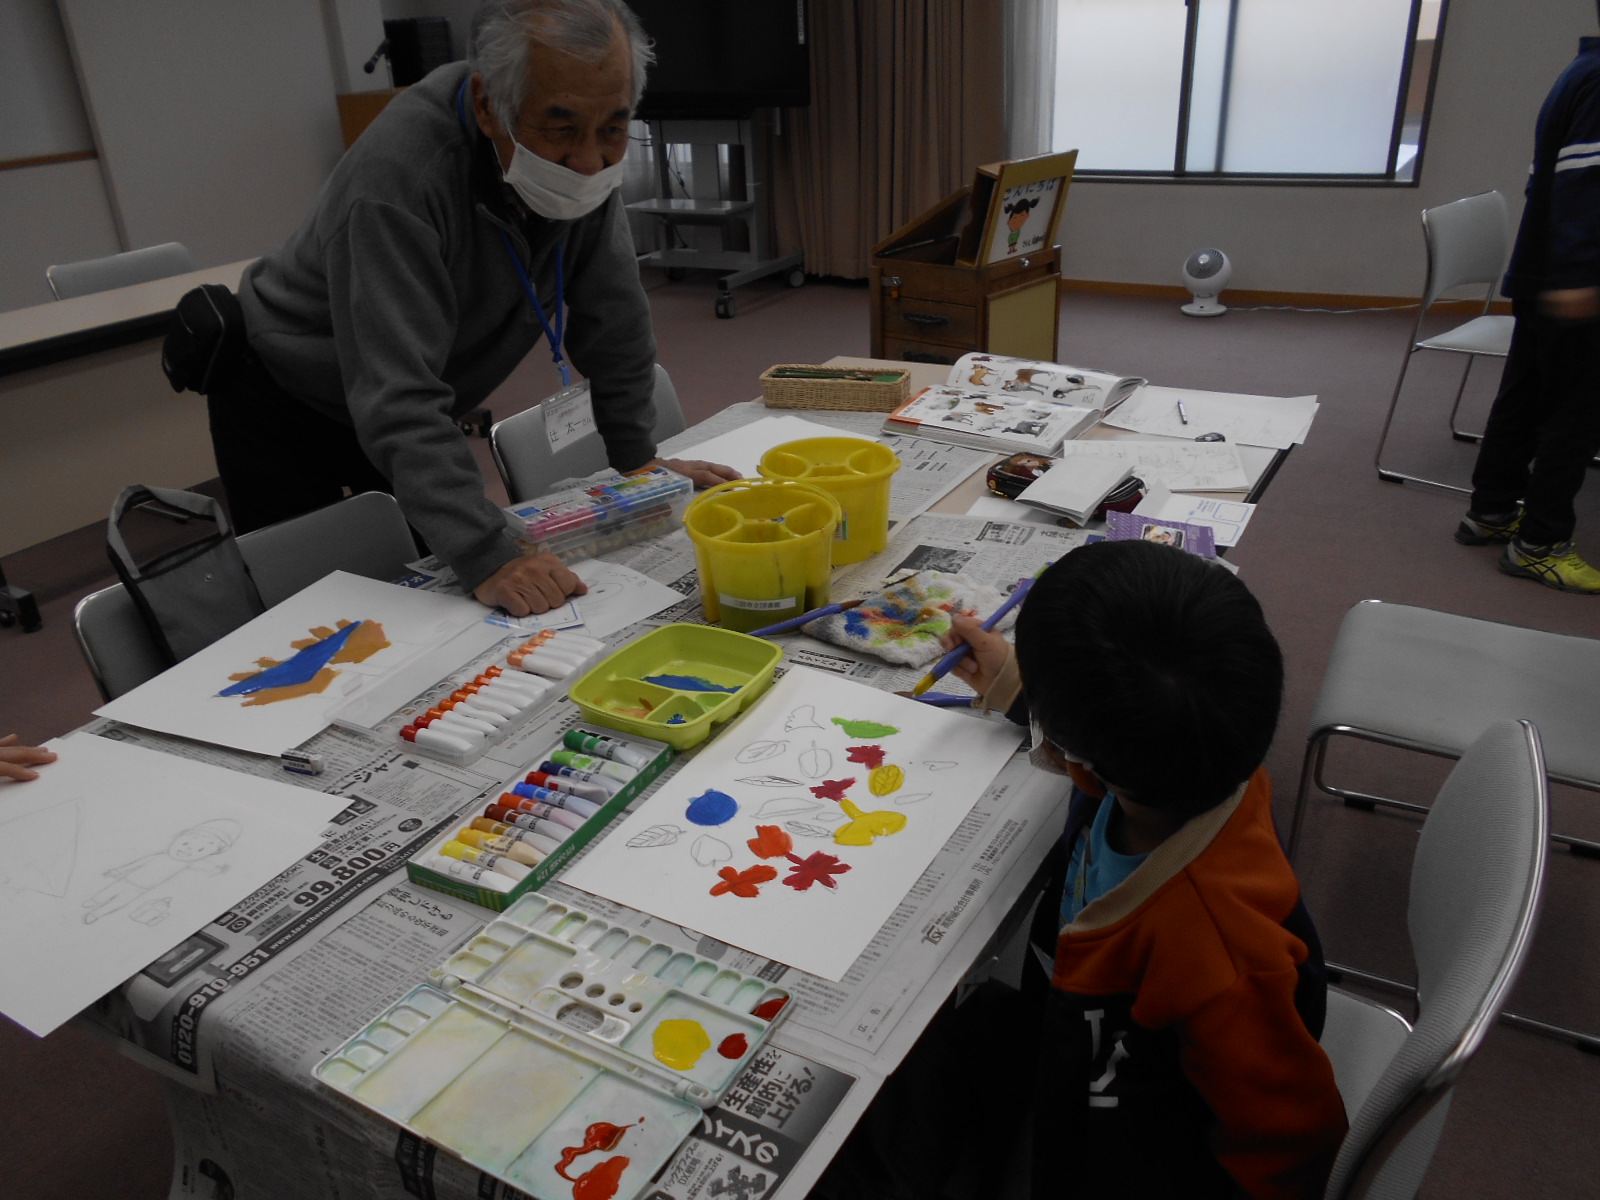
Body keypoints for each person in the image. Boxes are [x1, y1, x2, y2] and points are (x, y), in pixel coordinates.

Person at [817, 541, 1344, 1200]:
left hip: (1120, 1133)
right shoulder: (1197, 761)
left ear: (1077, 761)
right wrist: (1014, 686)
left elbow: (1291, 1139)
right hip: (1060, 1024)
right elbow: (1115, 732)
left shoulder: (1222, 956)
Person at [205, 0, 735, 617]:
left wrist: (639, 463)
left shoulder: (582, 167)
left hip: (405, 399)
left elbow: (613, 322)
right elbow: (397, 395)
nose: (590, 161)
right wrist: (491, 554)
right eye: (561, 129)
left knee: (426, 590)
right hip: (286, 394)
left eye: (613, 129)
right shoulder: (398, 178)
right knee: (318, 618)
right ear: (489, 107)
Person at [1457, 18, 1600, 593]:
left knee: (1524, 398)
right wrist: (1581, 277)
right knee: (1576, 413)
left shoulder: (1580, 71)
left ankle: (1491, 511)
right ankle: (1540, 543)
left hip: (1549, 274)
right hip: (1577, 282)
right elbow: (1583, 189)